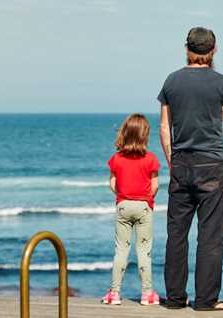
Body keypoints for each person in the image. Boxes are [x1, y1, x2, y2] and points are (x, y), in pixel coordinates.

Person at [157, 27, 223, 311]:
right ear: (213, 50)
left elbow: (165, 127)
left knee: (177, 234)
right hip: (212, 164)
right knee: (211, 236)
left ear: (186, 48)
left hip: (181, 162)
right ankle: (206, 300)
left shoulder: (171, 81)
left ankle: (176, 298)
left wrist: (171, 160)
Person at [101, 114, 161, 306]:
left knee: (121, 250)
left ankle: (114, 293)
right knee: (144, 251)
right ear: (145, 136)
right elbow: (155, 186)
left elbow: (112, 183)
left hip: (123, 205)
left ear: (125, 133)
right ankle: (147, 294)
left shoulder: (116, 158)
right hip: (144, 207)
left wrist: (121, 193)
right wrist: (147, 199)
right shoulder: (151, 159)